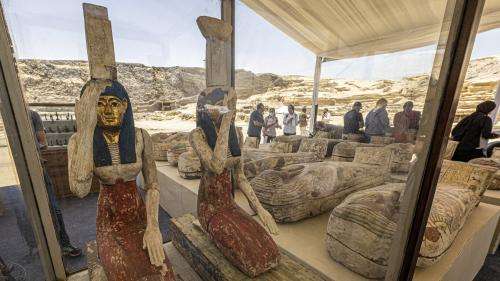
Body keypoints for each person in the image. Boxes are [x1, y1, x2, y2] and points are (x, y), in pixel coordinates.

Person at [28, 109, 82, 257]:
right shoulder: (31, 114)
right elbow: (42, 141)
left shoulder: (30, 115)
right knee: (52, 207)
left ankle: (40, 246)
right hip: (37, 166)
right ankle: (61, 244)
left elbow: (42, 141)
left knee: (37, 208)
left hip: (35, 167)